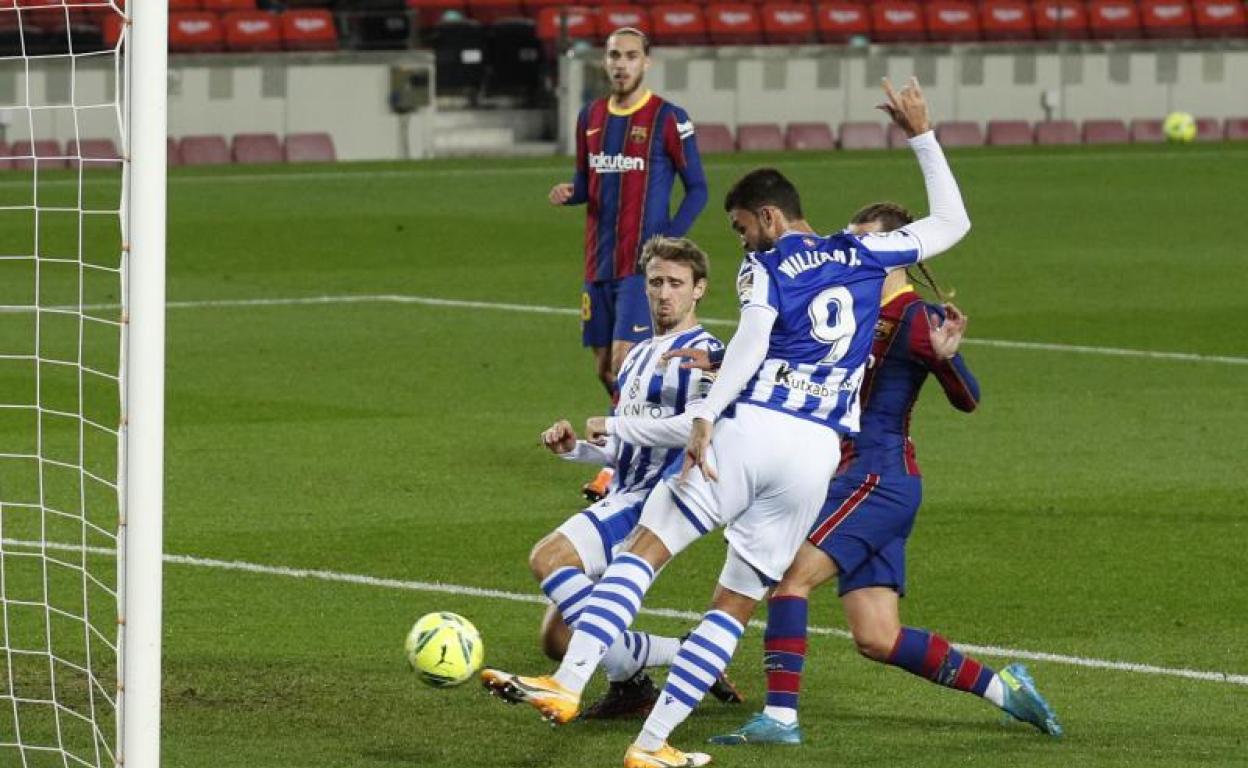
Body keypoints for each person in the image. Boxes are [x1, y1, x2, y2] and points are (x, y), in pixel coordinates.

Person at [483, 78, 973, 768]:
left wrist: (709, 413)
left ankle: (567, 683)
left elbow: (748, 344)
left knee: (644, 552)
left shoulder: (768, 266)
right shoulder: (866, 253)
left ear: (768, 218)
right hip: (814, 457)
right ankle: (653, 747)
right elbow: (954, 224)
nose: (742, 240)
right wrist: (921, 132)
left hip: (756, 428)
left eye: (742, 227)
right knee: (734, 603)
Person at [672, 204, 1061, 747]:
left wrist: (947, 358)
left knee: (789, 577)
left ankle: (780, 718)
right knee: (877, 637)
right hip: (859, 477)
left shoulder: (913, 316)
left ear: (900, 251)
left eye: (864, 243)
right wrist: (724, 369)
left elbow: (969, 398)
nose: (851, 253)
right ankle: (1005, 690)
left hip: (878, 477)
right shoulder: (848, 309)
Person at [524, 236, 740, 718]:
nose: (665, 293)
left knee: (547, 557)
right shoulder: (638, 356)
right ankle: (666, 666)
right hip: (622, 490)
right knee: (558, 639)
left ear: (699, 289)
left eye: (676, 284)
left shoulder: (710, 357)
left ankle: (651, 672)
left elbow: (698, 429)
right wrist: (576, 449)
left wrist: (616, 424)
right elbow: (624, 445)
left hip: (656, 501)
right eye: (656, 282)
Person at [550, 26, 709, 502]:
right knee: (605, 368)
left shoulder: (667, 118)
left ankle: (616, 468)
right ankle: (640, 445)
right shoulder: (591, 117)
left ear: (647, 62)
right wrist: (570, 193)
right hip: (597, 262)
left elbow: (697, 187)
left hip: (639, 269)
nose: (621, 64)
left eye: (630, 56)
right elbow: (587, 181)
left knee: (625, 362)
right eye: (614, 56)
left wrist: (670, 241)